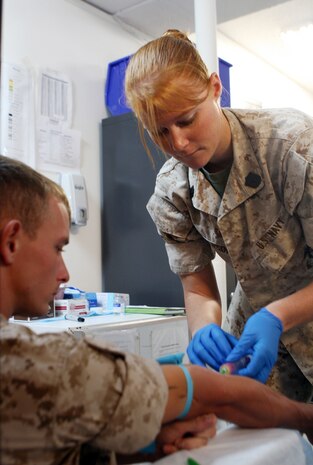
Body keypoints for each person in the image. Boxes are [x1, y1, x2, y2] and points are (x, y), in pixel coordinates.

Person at [1, 155, 313, 465]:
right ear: (11, 242)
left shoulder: (291, 151)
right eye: (58, 248)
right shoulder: (32, 363)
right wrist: (306, 417)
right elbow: (216, 393)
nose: (65, 274)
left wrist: (143, 447)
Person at [124, 29, 313, 402]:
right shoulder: (173, 192)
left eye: (187, 120)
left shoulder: (294, 147)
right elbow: (197, 287)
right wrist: (205, 331)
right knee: (260, 438)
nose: (178, 143)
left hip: (287, 310)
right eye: (160, 131)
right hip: (259, 329)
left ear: (215, 87)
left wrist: (278, 315)